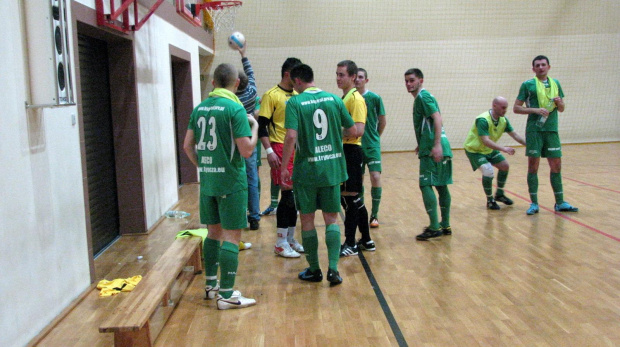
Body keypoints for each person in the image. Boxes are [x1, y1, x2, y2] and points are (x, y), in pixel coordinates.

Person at [183, 63, 258, 309]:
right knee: (231, 236)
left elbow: (187, 146)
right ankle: (226, 294)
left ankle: (211, 284)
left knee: (212, 234)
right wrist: (255, 127)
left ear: (213, 83)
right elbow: (247, 150)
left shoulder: (199, 108)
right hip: (231, 182)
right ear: (236, 83)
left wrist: (203, 166)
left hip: (208, 182)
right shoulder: (235, 109)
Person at [280, 64, 357, 285]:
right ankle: (333, 269)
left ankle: (314, 269)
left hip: (307, 171)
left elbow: (291, 137)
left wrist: (285, 166)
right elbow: (352, 131)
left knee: (307, 219)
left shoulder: (295, 102)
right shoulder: (334, 100)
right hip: (332, 169)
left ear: (297, 82)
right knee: (332, 219)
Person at [513, 55, 578, 215]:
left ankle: (560, 202)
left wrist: (560, 103)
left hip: (551, 130)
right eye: (538, 65)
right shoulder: (527, 85)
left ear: (549, 66)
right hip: (534, 131)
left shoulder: (556, 84)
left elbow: (561, 108)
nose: (541, 67)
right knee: (533, 167)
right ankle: (534, 203)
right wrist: (535, 110)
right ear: (533, 69)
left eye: (543, 64)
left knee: (556, 166)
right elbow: (516, 108)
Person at [258, 57, 305, 258]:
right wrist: (268, 151)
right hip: (279, 148)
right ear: (288, 74)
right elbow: (262, 125)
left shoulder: (297, 95)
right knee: (287, 196)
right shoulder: (271, 95)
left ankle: (290, 239)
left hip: (297, 150)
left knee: (294, 198)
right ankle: (279, 242)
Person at [404, 68, 453, 241]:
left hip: (435, 147)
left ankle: (434, 227)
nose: (409, 84)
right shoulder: (424, 97)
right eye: (407, 81)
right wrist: (422, 143)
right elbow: (430, 122)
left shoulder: (423, 97)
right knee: (441, 185)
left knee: (425, 185)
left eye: (412, 80)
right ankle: (445, 224)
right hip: (437, 145)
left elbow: (437, 118)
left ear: (421, 80)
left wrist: (436, 144)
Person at [336, 60, 374, 256]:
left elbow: (358, 130)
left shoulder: (356, 99)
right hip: (345, 151)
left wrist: (334, 133)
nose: (338, 78)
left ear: (352, 77)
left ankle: (350, 242)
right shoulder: (345, 98)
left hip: (352, 151)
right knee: (352, 199)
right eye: (337, 74)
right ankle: (366, 239)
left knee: (350, 198)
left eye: (342, 74)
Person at [464, 97, 526, 209]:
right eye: (503, 108)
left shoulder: (503, 120)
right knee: (488, 171)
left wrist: (528, 145)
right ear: (494, 106)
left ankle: (500, 195)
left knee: (504, 166)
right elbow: (485, 141)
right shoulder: (483, 119)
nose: (505, 110)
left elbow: (515, 135)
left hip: (488, 150)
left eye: (506, 108)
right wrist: (504, 148)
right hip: (475, 150)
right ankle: (490, 200)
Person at [355, 68, 386, 228]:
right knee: (358, 181)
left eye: (361, 77)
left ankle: (374, 215)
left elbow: (382, 121)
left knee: (375, 176)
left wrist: (375, 137)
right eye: (356, 77)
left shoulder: (374, 98)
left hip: (372, 145)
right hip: (356, 145)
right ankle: (360, 212)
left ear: (366, 80)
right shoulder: (350, 98)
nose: (358, 80)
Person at [234, 44, 260, 230]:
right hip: (251, 138)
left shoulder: (231, 100)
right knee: (252, 177)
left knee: (236, 177)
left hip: (235, 141)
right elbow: (250, 73)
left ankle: (238, 215)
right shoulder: (252, 92)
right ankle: (255, 217)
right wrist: (244, 55)